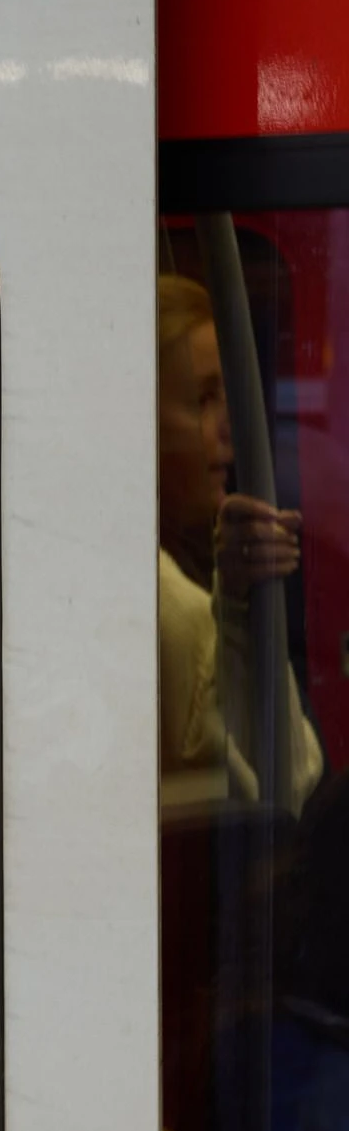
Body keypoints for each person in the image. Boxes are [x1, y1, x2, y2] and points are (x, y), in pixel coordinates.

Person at [157, 273, 322, 814]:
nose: (229, 426)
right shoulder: (174, 609)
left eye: (229, 397)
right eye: (203, 400)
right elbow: (291, 788)